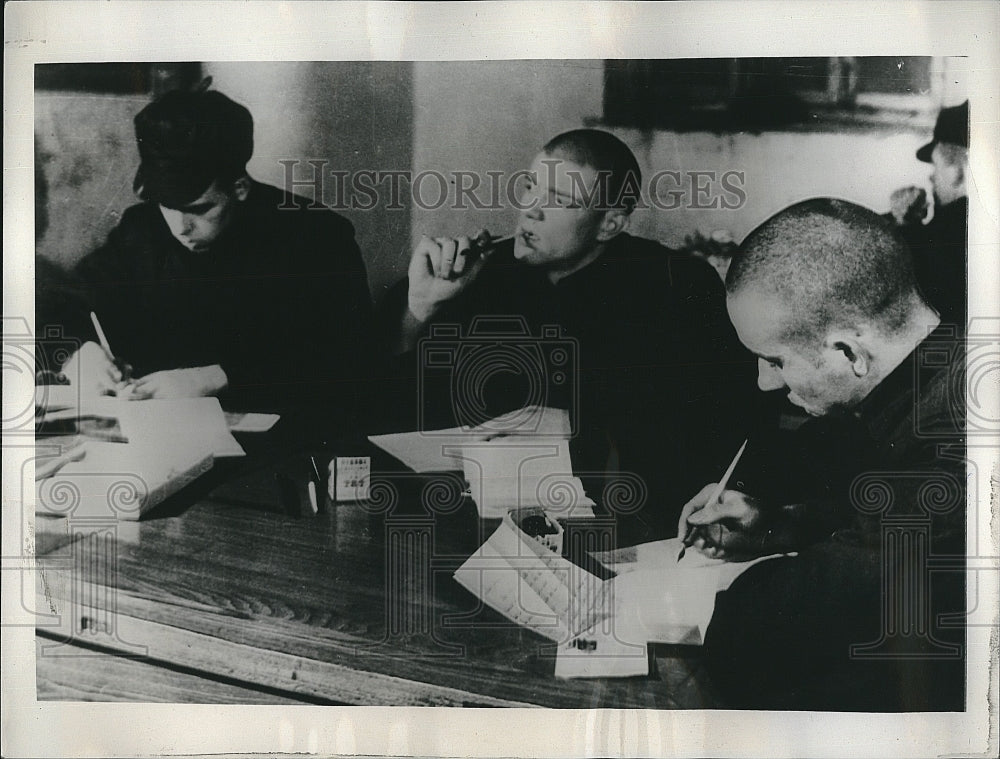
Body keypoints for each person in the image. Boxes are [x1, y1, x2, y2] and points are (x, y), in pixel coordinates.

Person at [380, 129, 755, 544]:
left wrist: (569, 426)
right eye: (530, 188)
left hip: (623, 531)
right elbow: (388, 404)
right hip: (470, 523)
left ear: (609, 224)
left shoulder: (677, 284)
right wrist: (420, 309)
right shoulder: (479, 273)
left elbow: (721, 430)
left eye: (560, 200)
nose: (531, 211)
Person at [677, 198, 966, 711]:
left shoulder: (952, 438)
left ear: (848, 352)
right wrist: (778, 527)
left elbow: (774, 622)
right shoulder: (942, 371)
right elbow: (872, 519)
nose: (765, 382)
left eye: (774, 359)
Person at [58, 84, 374, 431]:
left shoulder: (315, 236)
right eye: (168, 206)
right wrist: (78, 353)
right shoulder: (141, 231)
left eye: (200, 209)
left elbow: (348, 358)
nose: (181, 227)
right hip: (163, 442)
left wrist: (218, 376)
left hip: (286, 446)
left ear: (240, 188)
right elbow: (65, 302)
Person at [889, 101, 969, 330]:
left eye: (935, 166)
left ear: (957, 170)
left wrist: (904, 225)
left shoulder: (950, 229)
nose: (932, 178)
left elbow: (917, 286)